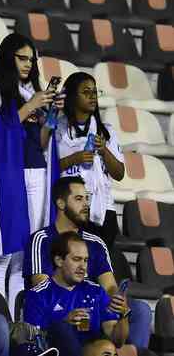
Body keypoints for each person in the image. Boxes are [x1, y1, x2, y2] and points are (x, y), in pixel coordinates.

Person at [0, 33, 61, 316]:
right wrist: (31, 106)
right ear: (8, 56)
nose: (28, 65)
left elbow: (42, 142)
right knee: (2, 254)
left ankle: (17, 323)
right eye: (22, 58)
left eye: (31, 60)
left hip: (36, 173)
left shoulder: (31, 91)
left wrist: (51, 116)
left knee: (25, 256)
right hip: (9, 177)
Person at [24, 176, 151, 349]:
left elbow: (109, 287)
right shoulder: (42, 239)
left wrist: (118, 303)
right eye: (78, 199)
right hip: (59, 309)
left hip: (93, 303)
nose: (86, 204)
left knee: (141, 310)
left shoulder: (96, 242)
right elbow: (43, 286)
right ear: (61, 204)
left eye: (86, 199)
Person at [24, 232, 130, 356]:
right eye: (76, 259)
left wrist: (124, 315)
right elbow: (33, 343)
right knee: (62, 329)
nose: (83, 267)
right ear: (59, 261)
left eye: (85, 260)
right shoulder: (38, 294)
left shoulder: (96, 292)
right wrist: (64, 322)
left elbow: (117, 341)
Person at [56, 72, 124, 248]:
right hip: (70, 209)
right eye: (86, 92)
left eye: (95, 92)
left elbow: (119, 173)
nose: (92, 96)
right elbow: (48, 169)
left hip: (103, 211)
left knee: (98, 268)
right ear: (71, 96)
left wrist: (104, 151)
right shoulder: (57, 129)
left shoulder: (106, 131)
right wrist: (74, 158)